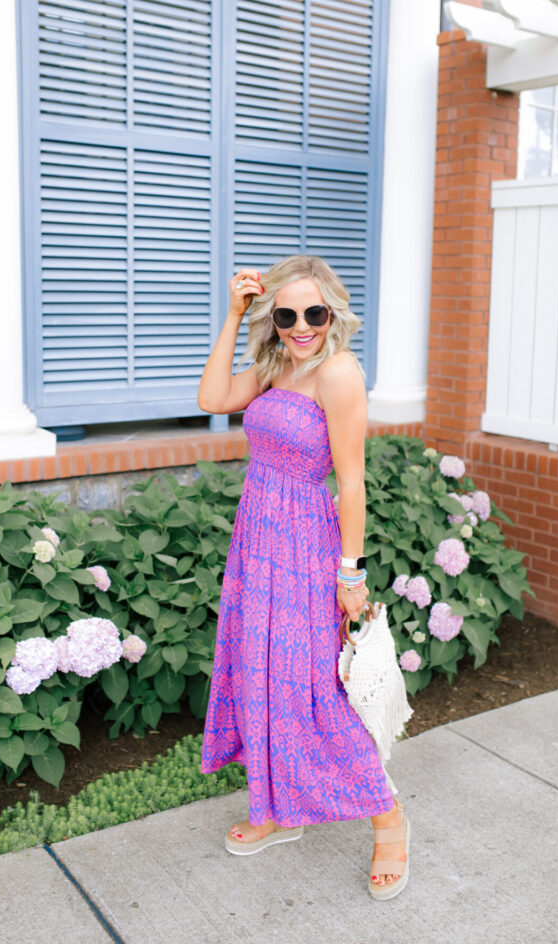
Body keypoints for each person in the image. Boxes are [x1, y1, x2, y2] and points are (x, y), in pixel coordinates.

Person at [198, 254, 409, 900]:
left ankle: (388, 821)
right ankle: (272, 809)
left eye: (312, 314)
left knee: (315, 685)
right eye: (286, 314)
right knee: (259, 671)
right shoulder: (272, 366)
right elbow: (210, 399)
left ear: (331, 314)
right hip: (256, 536)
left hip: (302, 544)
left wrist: (350, 573)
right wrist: (234, 314)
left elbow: (350, 481)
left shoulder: (337, 373)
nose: (300, 327)